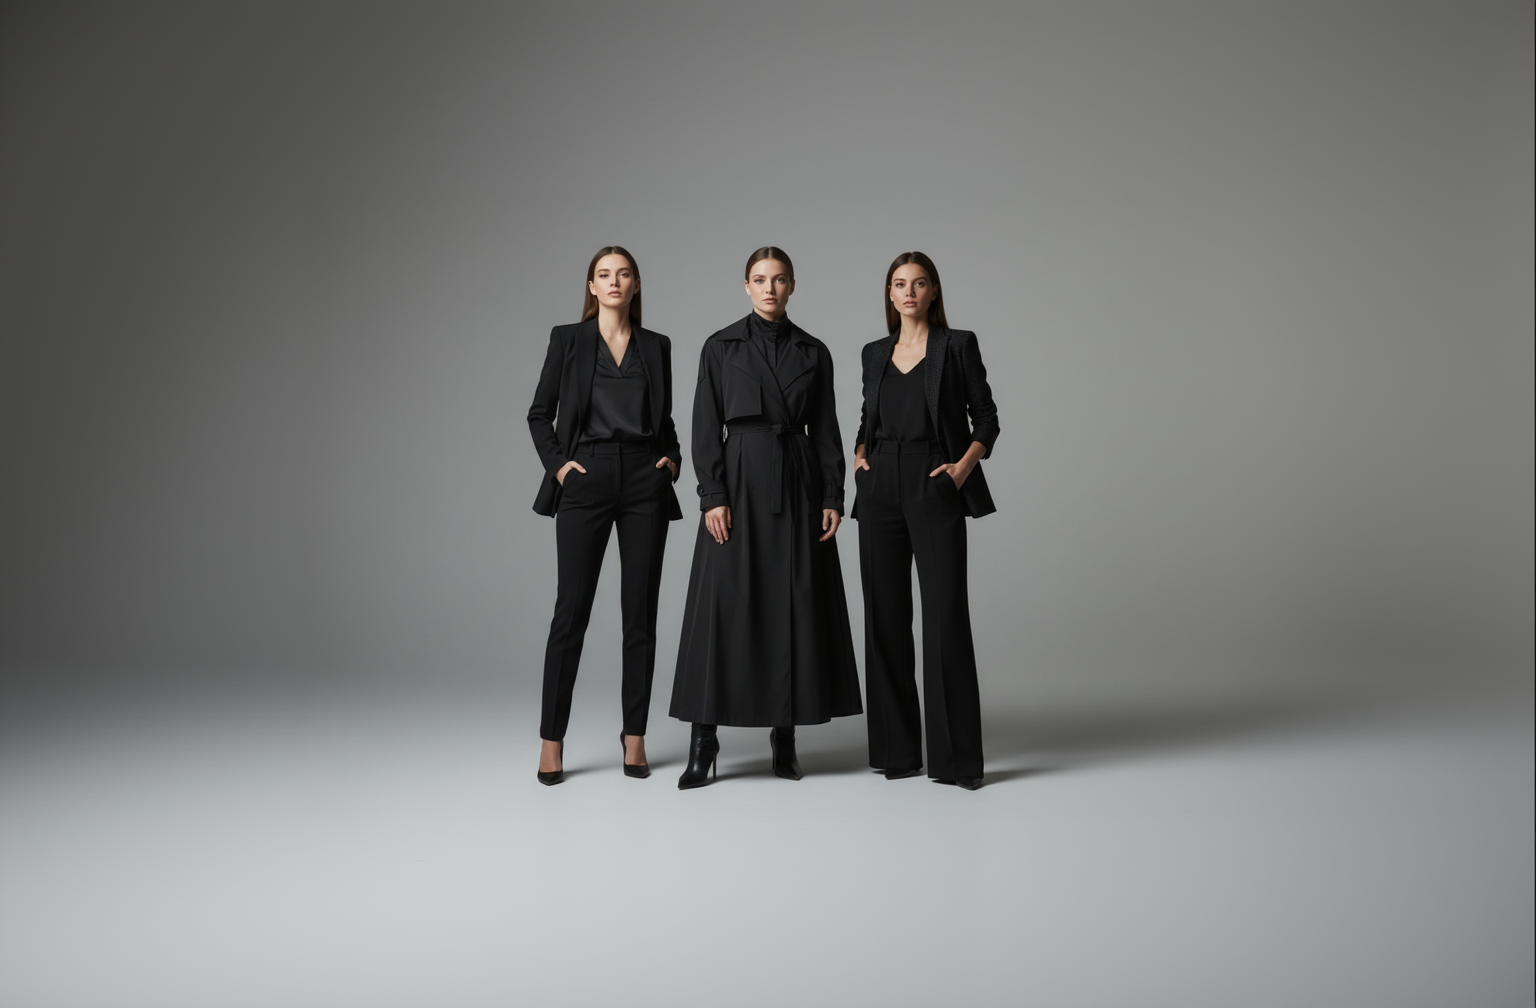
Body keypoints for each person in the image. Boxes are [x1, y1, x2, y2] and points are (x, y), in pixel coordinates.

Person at [669, 246, 862, 788]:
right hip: (737, 482)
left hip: (796, 483)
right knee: (719, 609)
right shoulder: (719, 347)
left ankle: (785, 738)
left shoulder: (814, 351)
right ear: (746, 287)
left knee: (793, 604)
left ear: (793, 285)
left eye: (779, 280)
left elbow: (826, 428)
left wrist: (832, 495)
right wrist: (712, 495)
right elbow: (704, 425)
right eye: (759, 279)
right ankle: (703, 744)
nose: (770, 288)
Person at [526, 246, 683, 785]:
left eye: (623, 274)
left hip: (644, 479)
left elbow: (664, 422)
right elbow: (539, 413)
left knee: (640, 614)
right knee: (571, 613)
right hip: (586, 477)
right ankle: (552, 739)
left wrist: (673, 461)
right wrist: (559, 468)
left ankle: (634, 734)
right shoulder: (567, 340)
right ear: (591, 286)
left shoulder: (657, 346)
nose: (614, 282)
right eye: (603, 275)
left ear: (636, 284)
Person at [851, 251, 999, 790]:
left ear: (933, 291)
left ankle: (956, 761)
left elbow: (987, 418)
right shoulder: (873, 353)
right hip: (880, 487)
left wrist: (959, 471)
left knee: (944, 621)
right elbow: (869, 416)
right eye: (898, 284)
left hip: (934, 482)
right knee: (884, 620)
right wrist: (861, 457)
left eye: (918, 283)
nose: (908, 292)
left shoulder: (957, 346)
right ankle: (897, 751)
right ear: (889, 294)